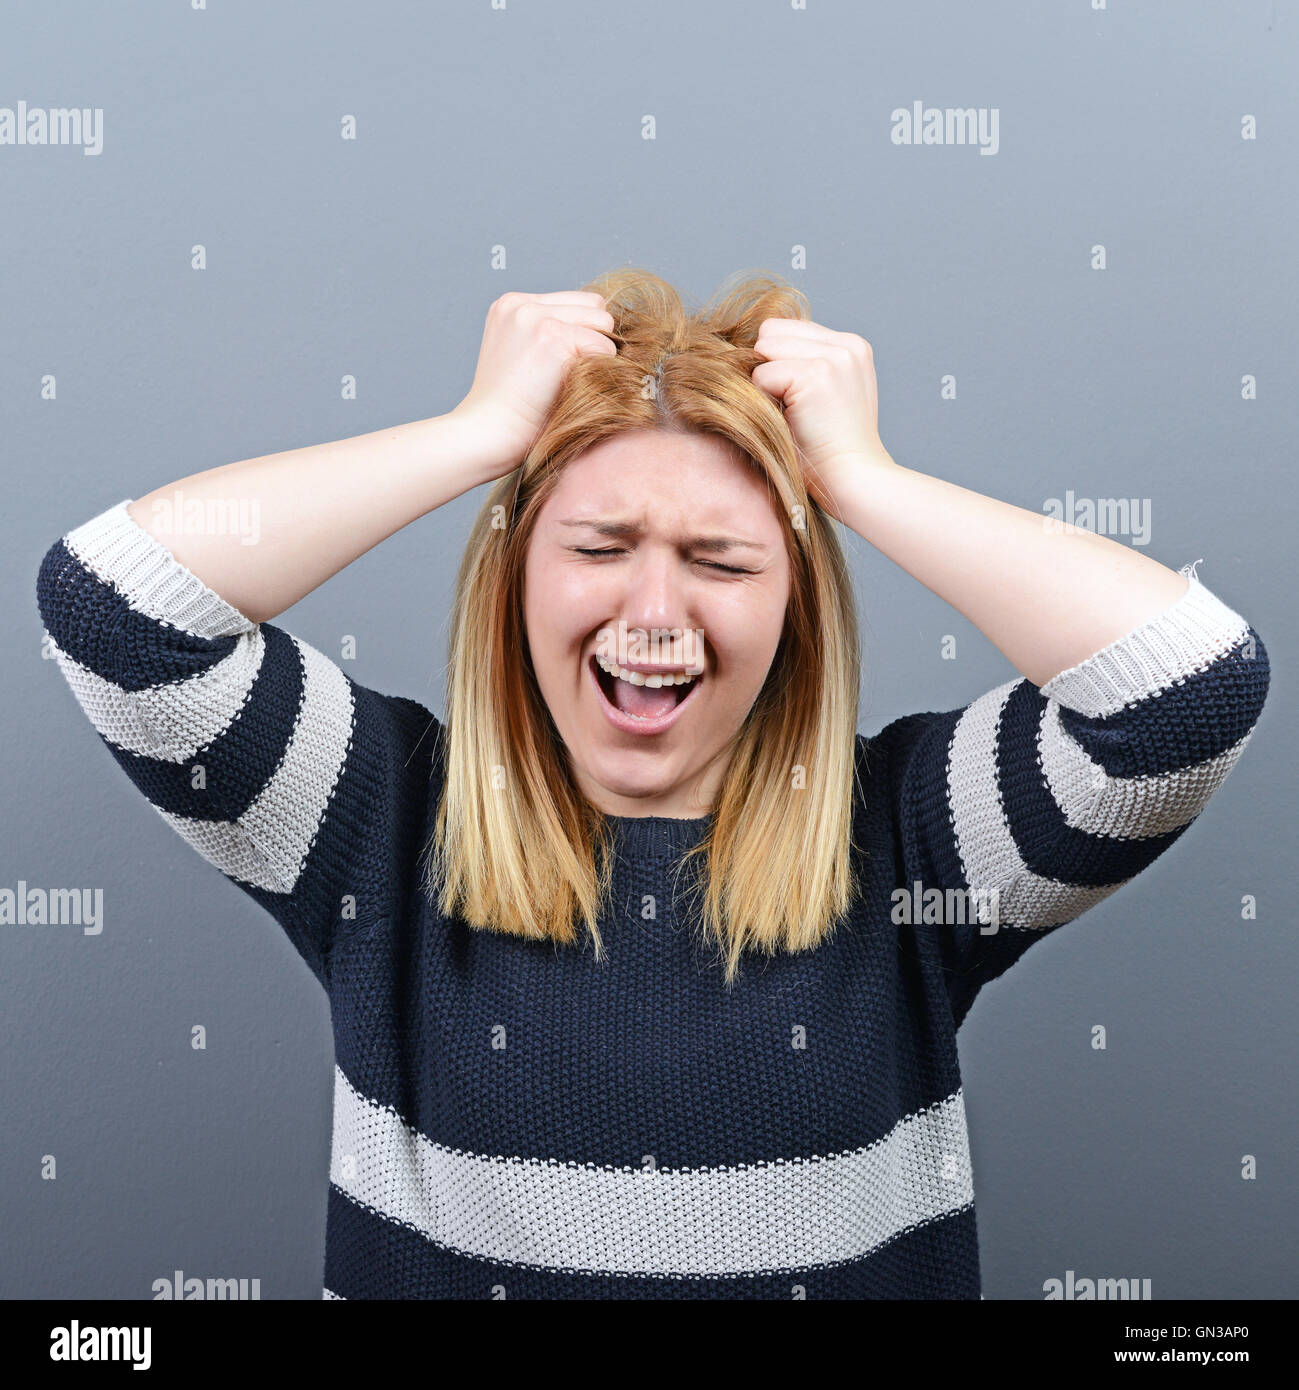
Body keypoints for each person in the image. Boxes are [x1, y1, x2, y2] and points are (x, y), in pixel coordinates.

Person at [35, 268, 1270, 1299]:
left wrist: (862, 480)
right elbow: (115, 608)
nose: (655, 614)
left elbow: (1189, 689)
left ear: (795, 605)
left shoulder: (911, 841)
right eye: (600, 546)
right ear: (516, 574)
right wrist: (476, 435)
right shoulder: (381, 819)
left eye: (722, 560)